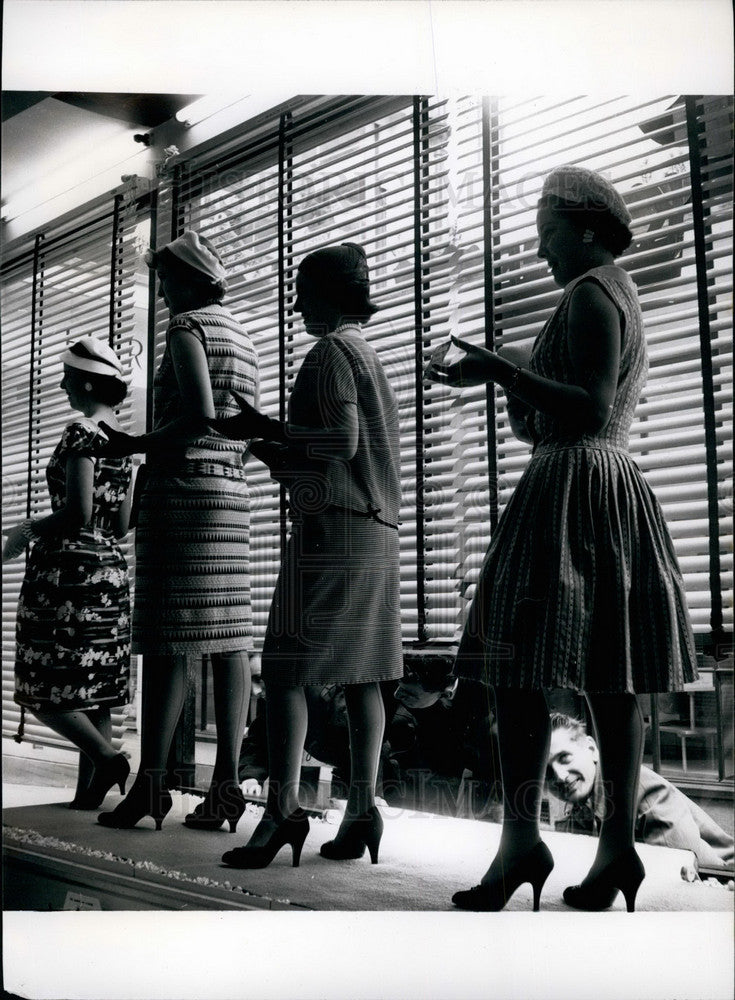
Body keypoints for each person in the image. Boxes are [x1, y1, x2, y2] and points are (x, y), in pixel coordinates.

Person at [427, 165, 698, 912]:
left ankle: (522, 841)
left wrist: (491, 368)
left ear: (582, 227)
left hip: (571, 484)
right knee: (609, 674)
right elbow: (564, 406)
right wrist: (513, 371)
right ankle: (613, 851)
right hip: (603, 484)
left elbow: (586, 405)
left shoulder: (589, 292)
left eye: (545, 231)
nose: (537, 247)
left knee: (513, 666)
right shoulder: (613, 291)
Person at [212, 242, 402, 869]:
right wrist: (271, 442)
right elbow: (342, 450)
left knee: (286, 670)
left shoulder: (329, 353)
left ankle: (282, 813)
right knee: (365, 675)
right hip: (376, 531)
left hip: (333, 534)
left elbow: (339, 443)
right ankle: (363, 811)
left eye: (302, 291)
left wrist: (263, 429)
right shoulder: (369, 356)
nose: (295, 304)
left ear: (325, 297)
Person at [95, 231, 259, 832]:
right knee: (228, 636)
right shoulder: (244, 334)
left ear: (188, 280)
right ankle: (226, 789)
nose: (163, 294)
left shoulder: (186, 327)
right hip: (231, 494)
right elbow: (233, 420)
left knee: (166, 639)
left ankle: (152, 786)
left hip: (184, 494)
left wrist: (136, 444)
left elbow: (199, 412)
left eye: (166, 281)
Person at [3, 337, 133, 809]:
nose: (60, 385)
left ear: (83, 381)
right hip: (110, 573)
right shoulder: (122, 440)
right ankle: (89, 793)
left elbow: (76, 511)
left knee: (43, 685)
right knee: (95, 688)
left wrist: (25, 530)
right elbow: (119, 525)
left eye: (64, 377)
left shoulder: (80, 433)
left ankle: (107, 757)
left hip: (68, 573)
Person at [547, 713, 734, 869]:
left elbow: (678, 873)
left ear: (591, 748)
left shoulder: (644, 793)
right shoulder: (582, 798)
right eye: (547, 771)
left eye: (564, 758)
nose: (560, 776)